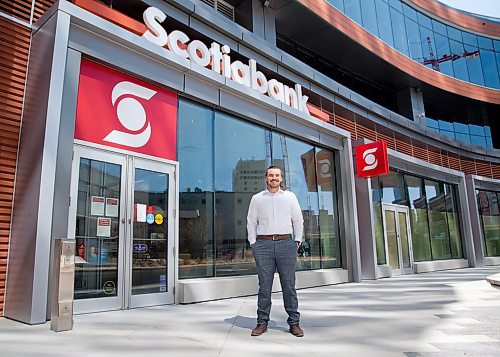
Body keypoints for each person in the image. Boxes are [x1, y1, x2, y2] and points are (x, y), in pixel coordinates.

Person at [247, 165, 304, 337]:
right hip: (263, 245)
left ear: (281, 178)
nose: (274, 178)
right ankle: (262, 323)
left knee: (289, 285)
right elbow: (251, 222)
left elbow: (298, 219)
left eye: (277, 175)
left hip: (286, 243)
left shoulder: (290, 197)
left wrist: (297, 240)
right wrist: (253, 243)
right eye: (271, 175)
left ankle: (294, 323)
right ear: (266, 178)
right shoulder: (257, 199)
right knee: (264, 286)